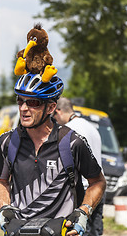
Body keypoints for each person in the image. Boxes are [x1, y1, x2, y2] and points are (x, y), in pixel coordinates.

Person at [0, 72, 106, 236]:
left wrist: (84, 211)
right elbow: (0, 181)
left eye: (32, 102)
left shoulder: (73, 143)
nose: (23, 108)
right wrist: (4, 206)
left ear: (51, 108)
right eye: (20, 100)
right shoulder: (7, 142)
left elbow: (98, 182)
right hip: (19, 231)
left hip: (60, 230)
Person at [53, 97, 105, 236]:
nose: (55, 121)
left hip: (83, 190)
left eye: (54, 116)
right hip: (99, 186)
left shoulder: (70, 130)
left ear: (58, 111)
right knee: (96, 229)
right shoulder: (91, 126)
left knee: (79, 230)